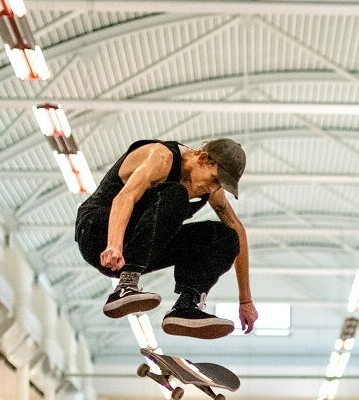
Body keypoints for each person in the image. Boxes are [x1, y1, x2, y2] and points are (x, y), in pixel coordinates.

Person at [73, 138, 257, 340]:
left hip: (132, 248)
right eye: (214, 180)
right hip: (97, 232)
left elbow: (237, 229)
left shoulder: (208, 185)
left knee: (226, 237)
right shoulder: (161, 157)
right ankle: (126, 286)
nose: (213, 189)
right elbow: (125, 197)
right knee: (176, 195)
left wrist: (245, 300)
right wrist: (114, 245)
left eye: (219, 185)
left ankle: (186, 306)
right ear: (203, 158)